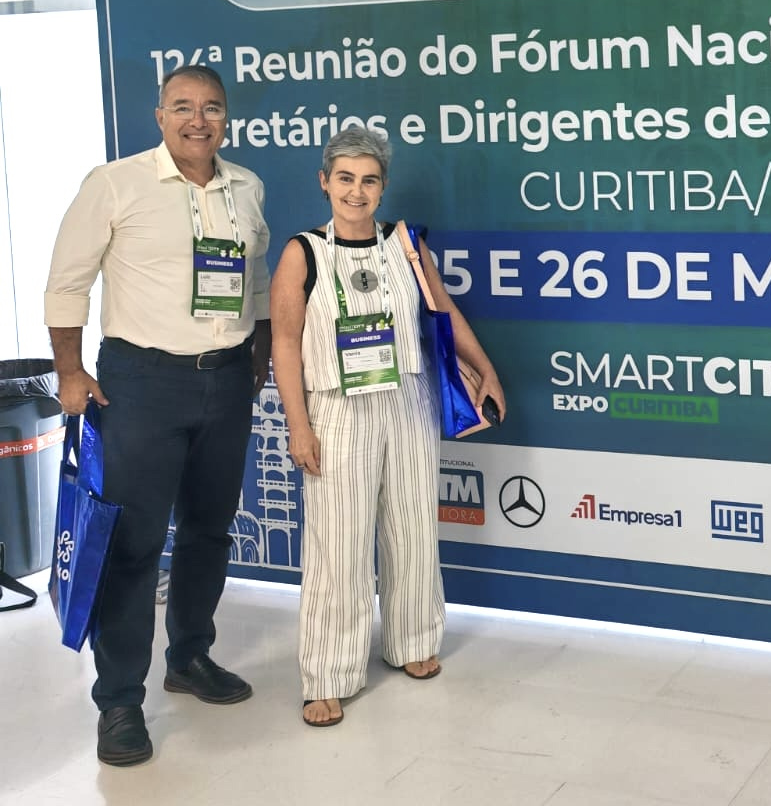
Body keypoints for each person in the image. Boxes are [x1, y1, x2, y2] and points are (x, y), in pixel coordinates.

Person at [44, 65, 271, 767]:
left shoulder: (246, 186)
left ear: (227, 118)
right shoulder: (115, 183)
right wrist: (70, 370)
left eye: (212, 108)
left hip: (226, 380)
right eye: (183, 107)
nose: (198, 120)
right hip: (141, 383)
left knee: (208, 530)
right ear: (160, 116)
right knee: (133, 543)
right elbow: (68, 281)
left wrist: (259, 354)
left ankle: (189, 657)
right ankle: (118, 702)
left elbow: (257, 279)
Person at [271, 125, 504, 727]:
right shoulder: (302, 252)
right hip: (336, 407)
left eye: (369, 180)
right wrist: (298, 424)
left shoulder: (406, 245)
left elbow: (443, 311)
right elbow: (285, 343)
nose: (357, 191)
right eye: (345, 178)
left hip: (406, 400)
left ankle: (413, 639)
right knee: (338, 543)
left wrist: (486, 371)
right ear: (324, 182)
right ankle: (328, 673)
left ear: (383, 187)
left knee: (412, 525)